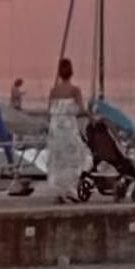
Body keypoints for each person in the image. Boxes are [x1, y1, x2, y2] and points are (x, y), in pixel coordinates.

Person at [44, 57, 89, 199]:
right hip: (68, 126)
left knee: (58, 160)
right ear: (71, 72)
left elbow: (49, 109)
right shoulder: (75, 90)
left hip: (55, 127)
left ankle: (59, 191)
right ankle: (70, 189)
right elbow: (81, 110)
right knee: (74, 158)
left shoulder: (53, 90)